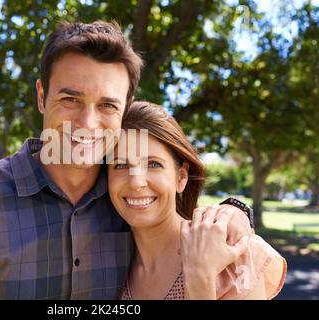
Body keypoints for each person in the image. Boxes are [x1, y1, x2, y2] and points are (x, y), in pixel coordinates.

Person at [0, 21, 253, 300]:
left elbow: (178, 208)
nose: (87, 123)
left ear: (124, 111)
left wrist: (236, 209)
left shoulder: (128, 195)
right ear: (42, 96)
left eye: (107, 105)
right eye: (70, 99)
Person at [107, 101, 286, 300]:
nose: (136, 182)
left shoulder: (233, 254)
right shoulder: (106, 266)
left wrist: (200, 277)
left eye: (153, 164)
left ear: (181, 177)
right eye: (121, 165)